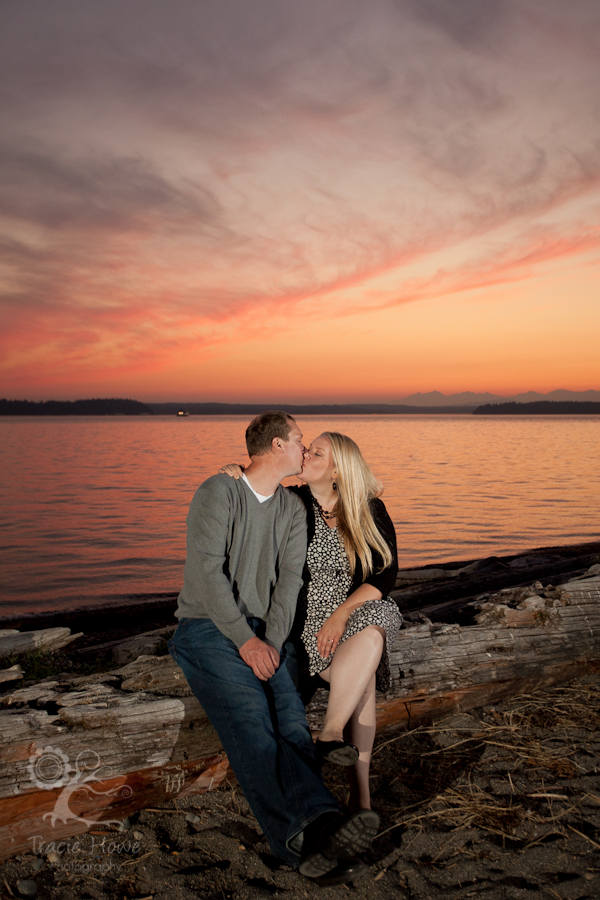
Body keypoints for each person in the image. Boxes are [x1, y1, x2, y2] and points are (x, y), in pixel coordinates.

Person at [169, 411, 378, 885]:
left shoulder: (290, 508)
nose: (305, 449)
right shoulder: (217, 492)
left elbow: (288, 584)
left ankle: (313, 844)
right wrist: (244, 640)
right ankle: (321, 828)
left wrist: (270, 639)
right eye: (300, 440)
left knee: (291, 724)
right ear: (277, 445)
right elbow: (206, 572)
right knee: (253, 723)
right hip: (206, 629)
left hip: (267, 632)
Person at [221, 430, 401, 814]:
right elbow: (251, 505)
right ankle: (361, 801)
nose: (305, 454)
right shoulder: (292, 502)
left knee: (377, 621)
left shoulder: (369, 509)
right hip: (305, 630)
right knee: (364, 675)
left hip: (351, 619)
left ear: (337, 471)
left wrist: (341, 614)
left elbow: (384, 576)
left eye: (316, 452)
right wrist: (236, 474)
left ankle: (332, 734)